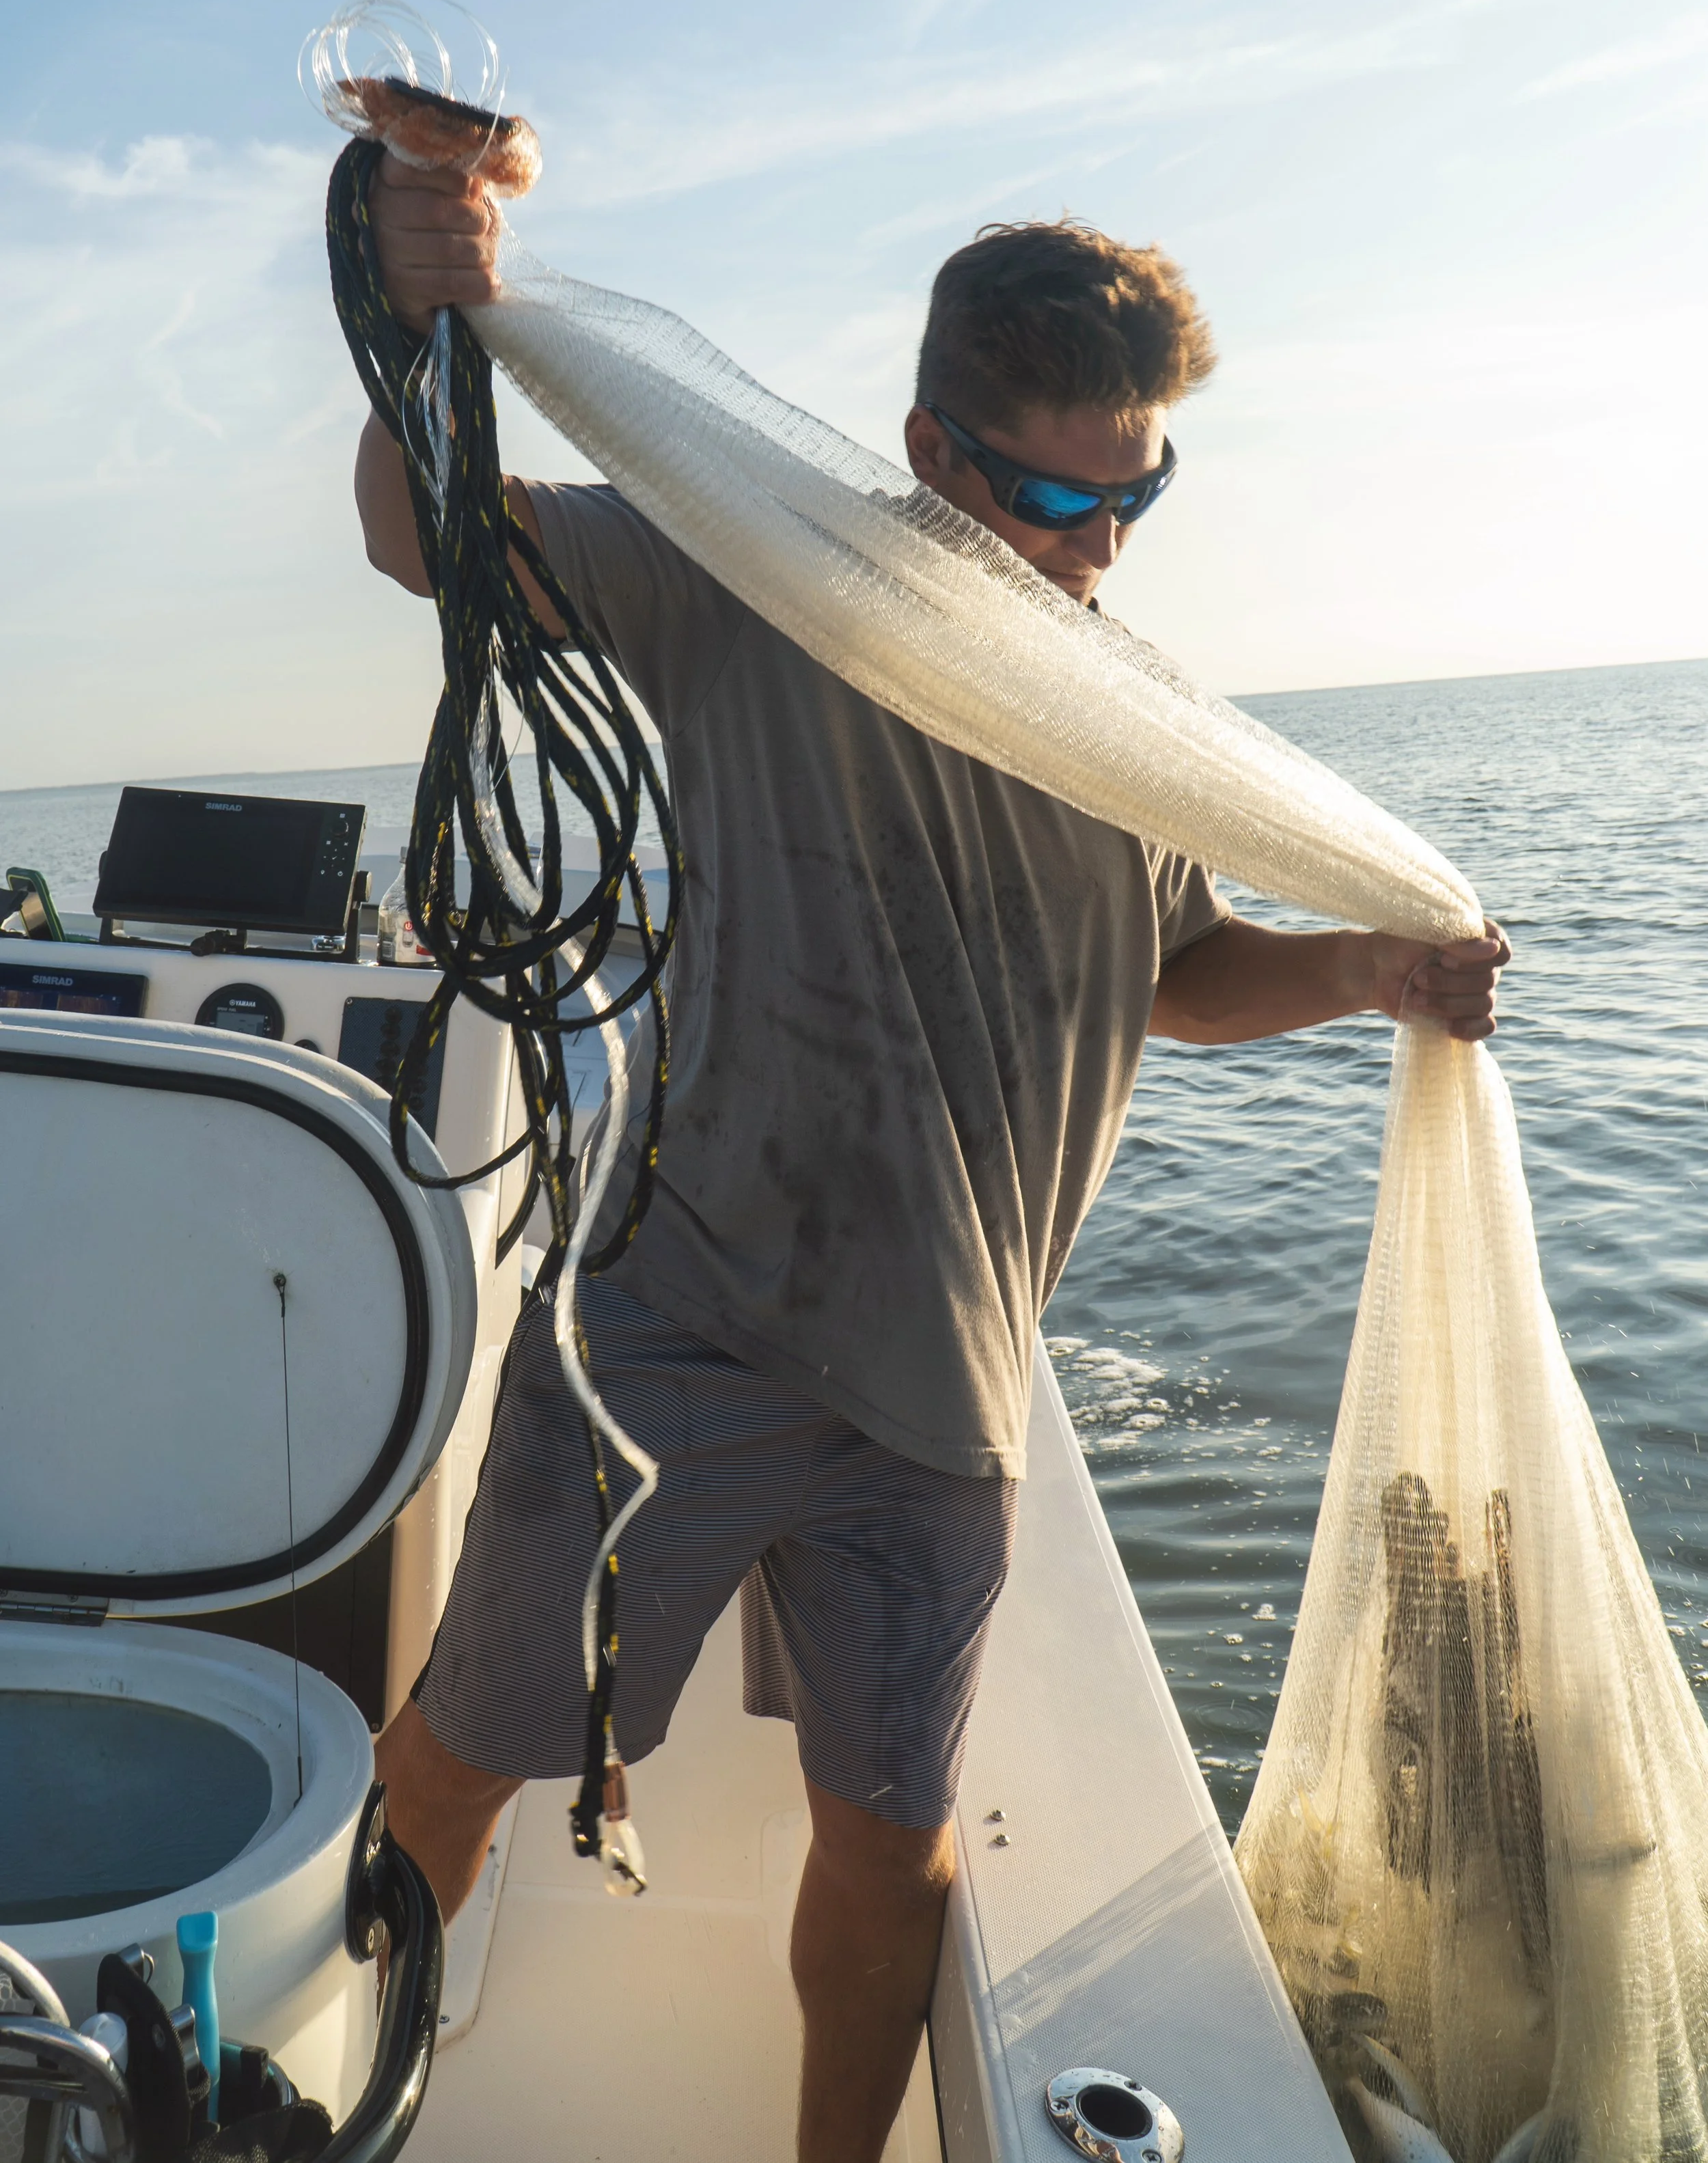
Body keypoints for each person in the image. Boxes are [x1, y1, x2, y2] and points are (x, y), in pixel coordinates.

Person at [353, 161, 1508, 2163]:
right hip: (669, 1345)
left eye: (1141, 496)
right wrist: (423, 319)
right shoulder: (749, 572)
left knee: (896, 1854)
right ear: (924, 447)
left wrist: (1360, 968)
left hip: (945, 1395)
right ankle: (366, 2076)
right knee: (466, 1762)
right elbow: (440, 543)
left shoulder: (1116, 702)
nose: (1100, 548)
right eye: (1060, 499)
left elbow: (1175, 971)